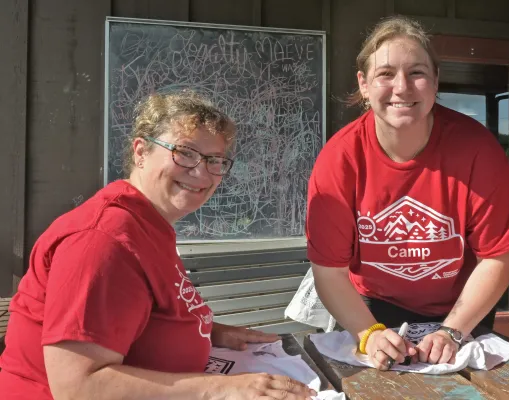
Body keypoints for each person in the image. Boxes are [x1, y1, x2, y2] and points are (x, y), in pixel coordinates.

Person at [0, 92, 316, 400]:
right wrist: (221, 390)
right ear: (141, 151)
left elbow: (139, 316)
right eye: (185, 153)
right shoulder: (103, 240)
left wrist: (206, 331)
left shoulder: (147, 224)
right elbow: (79, 387)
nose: (201, 172)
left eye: (215, 160)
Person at [306, 16, 509, 372]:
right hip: (370, 306)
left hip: (462, 307)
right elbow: (329, 271)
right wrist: (369, 333)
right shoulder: (340, 158)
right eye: (386, 74)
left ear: (435, 81)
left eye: (417, 73)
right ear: (363, 84)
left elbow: (497, 256)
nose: (402, 87)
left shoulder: (477, 149)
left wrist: (453, 332)